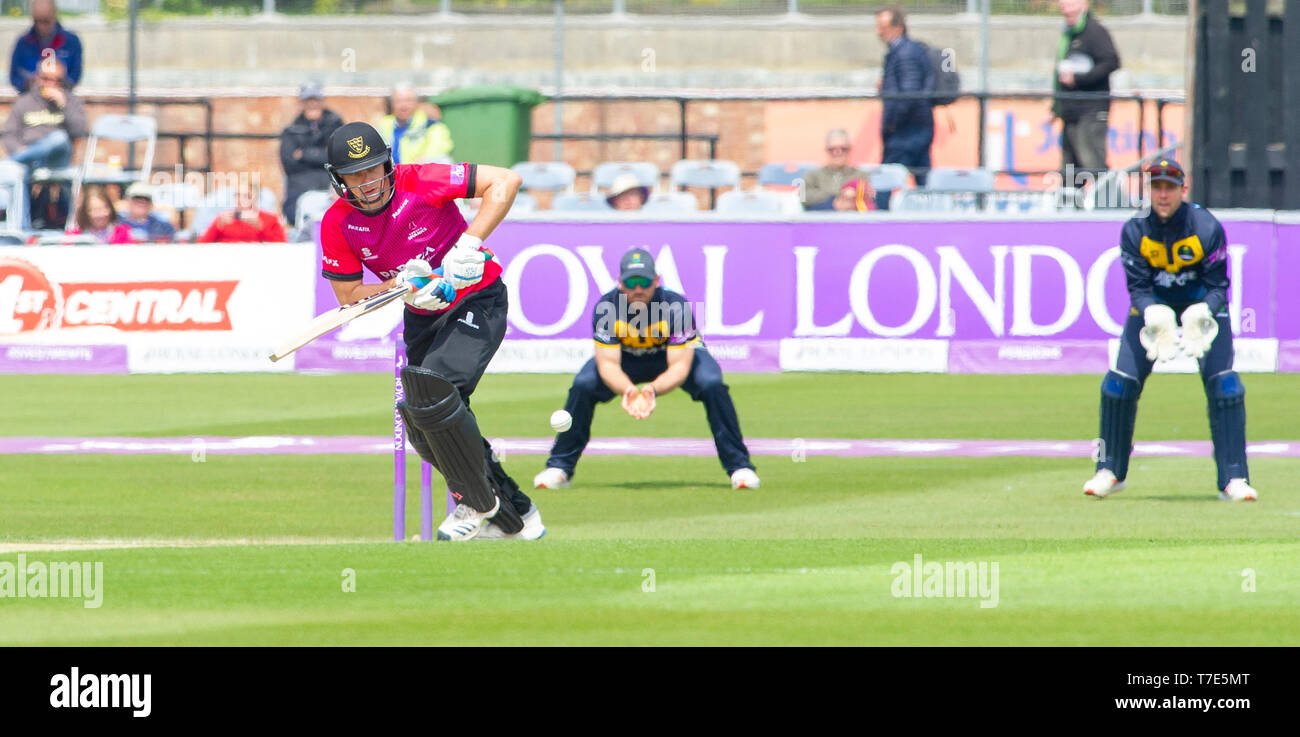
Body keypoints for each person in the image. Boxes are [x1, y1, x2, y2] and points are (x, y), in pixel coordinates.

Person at [320, 121, 541, 541]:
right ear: (339, 179)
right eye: (355, 174)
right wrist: (403, 286)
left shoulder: (419, 180)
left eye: (373, 169)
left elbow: (507, 181)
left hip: (477, 299)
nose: (367, 182)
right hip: (421, 315)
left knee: (435, 388)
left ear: (388, 162)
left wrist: (467, 245)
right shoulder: (338, 223)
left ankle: (475, 502)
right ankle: (514, 512)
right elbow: (348, 295)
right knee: (421, 421)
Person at [1083, 159, 1256, 502]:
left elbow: (1219, 285)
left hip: (1201, 307)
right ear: (1149, 190)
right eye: (1157, 187)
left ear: (1183, 190)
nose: (1163, 195)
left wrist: (1204, 311)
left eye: (1169, 188)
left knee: (1225, 385)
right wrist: (1152, 313)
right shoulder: (1135, 230)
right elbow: (1138, 287)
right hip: (1155, 309)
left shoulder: (1206, 227)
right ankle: (1109, 471)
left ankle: (1234, 479)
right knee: (1118, 384)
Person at [534, 248, 760, 491]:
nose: (638, 289)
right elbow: (608, 363)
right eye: (631, 282)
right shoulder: (606, 307)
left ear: (657, 281)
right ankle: (559, 467)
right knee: (583, 385)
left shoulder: (676, 307)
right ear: (620, 283)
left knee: (712, 383)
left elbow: (680, 366)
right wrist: (629, 391)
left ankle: (739, 467)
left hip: (673, 357)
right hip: (627, 359)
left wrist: (651, 390)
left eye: (644, 282)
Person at [1053, 0, 1120, 180]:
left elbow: (1111, 62)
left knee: (1093, 164)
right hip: (1071, 111)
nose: (1063, 4)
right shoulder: (1068, 33)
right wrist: (1055, 107)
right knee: (1069, 169)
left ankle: (1106, 205)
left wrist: (1078, 78)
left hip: (1091, 110)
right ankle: (1070, 205)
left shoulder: (1094, 31)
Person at [876, 5, 934, 207]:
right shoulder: (905, 51)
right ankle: (930, 220)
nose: (879, 32)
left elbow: (910, 94)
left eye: (883, 27)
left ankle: (877, 224)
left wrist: (892, 123)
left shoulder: (905, 53)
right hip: (917, 128)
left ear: (898, 27)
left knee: (885, 182)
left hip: (906, 131)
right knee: (923, 182)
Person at [279, 81, 344, 225]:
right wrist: (323, 155)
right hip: (300, 192)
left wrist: (304, 154)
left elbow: (340, 157)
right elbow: (289, 164)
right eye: (308, 100)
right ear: (301, 102)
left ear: (322, 101)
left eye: (315, 100)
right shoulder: (291, 131)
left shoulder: (336, 125)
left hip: (331, 190)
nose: (312, 104)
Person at [9, 0, 82, 95]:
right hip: (30, 101)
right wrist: (29, 82)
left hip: (63, 99)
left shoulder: (71, 42)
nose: (41, 26)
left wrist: (57, 80)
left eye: (45, 21)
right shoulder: (23, 43)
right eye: (37, 21)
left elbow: (74, 77)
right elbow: (14, 77)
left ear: (55, 14)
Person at [375, 83, 453, 165]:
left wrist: (426, 160)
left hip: (417, 173)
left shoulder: (430, 125)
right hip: (390, 174)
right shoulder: (383, 125)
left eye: (408, 100)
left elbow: (441, 149)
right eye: (398, 101)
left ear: (416, 103)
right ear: (392, 104)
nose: (403, 106)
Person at [802, 130, 870, 210]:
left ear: (850, 150)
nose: (838, 152)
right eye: (832, 149)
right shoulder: (813, 175)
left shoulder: (861, 175)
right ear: (826, 150)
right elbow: (803, 197)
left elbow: (868, 198)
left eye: (843, 149)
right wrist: (837, 197)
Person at [197, 185, 287, 243]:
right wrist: (218, 226)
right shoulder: (224, 218)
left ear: (254, 198)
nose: (240, 199)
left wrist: (260, 227)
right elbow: (202, 244)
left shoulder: (269, 219)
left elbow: (282, 246)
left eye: (246, 196)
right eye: (237, 195)